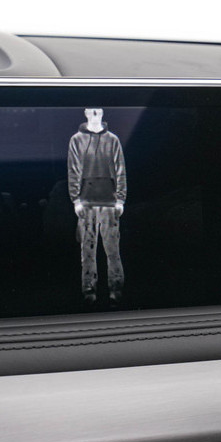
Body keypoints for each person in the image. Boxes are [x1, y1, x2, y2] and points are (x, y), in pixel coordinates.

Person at [68, 107, 127, 303]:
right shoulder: (77, 140)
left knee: (112, 249)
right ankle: (89, 289)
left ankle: (116, 288)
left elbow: (120, 169)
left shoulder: (113, 140)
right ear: (86, 113)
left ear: (102, 112)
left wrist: (120, 199)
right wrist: (76, 199)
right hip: (86, 202)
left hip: (109, 202)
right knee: (87, 249)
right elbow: (73, 169)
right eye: (91, 110)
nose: (95, 113)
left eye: (98, 110)